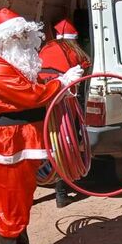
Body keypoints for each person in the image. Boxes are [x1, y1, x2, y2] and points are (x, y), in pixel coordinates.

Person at [0, 8, 84, 244]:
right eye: (20, 36)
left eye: (27, 35)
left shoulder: (9, 66)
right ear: (4, 39)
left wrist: (58, 81)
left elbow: (31, 86)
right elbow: (30, 95)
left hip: (20, 138)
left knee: (20, 200)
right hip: (7, 142)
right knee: (8, 202)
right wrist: (61, 82)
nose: (26, 41)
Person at [38, 19, 92, 208]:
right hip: (64, 103)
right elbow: (86, 64)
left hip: (43, 102)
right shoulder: (74, 51)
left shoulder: (45, 49)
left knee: (47, 145)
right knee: (63, 147)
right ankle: (61, 194)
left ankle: (36, 184)